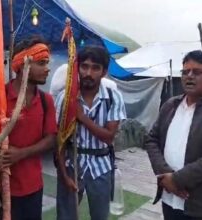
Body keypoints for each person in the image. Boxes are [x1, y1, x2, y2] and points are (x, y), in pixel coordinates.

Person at [145, 50, 202, 220]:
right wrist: (165, 175)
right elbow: (152, 139)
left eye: (196, 72)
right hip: (169, 198)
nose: (189, 76)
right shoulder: (170, 105)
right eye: (185, 71)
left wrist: (177, 179)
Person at [0, 36, 58, 220]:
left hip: (32, 188)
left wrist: (21, 153)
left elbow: (51, 139)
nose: (47, 69)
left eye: (47, 63)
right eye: (41, 63)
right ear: (23, 65)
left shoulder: (46, 101)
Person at [55, 45, 127, 220]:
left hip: (101, 167)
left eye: (95, 68)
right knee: (66, 216)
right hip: (72, 165)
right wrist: (64, 175)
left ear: (103, 72)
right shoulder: (65, 97)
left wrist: (82, 117)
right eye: (84, 66)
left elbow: (109, 137)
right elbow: (59, 141)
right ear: (77, 68)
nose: (88, 72)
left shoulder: (112, 97)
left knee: (100, 216)